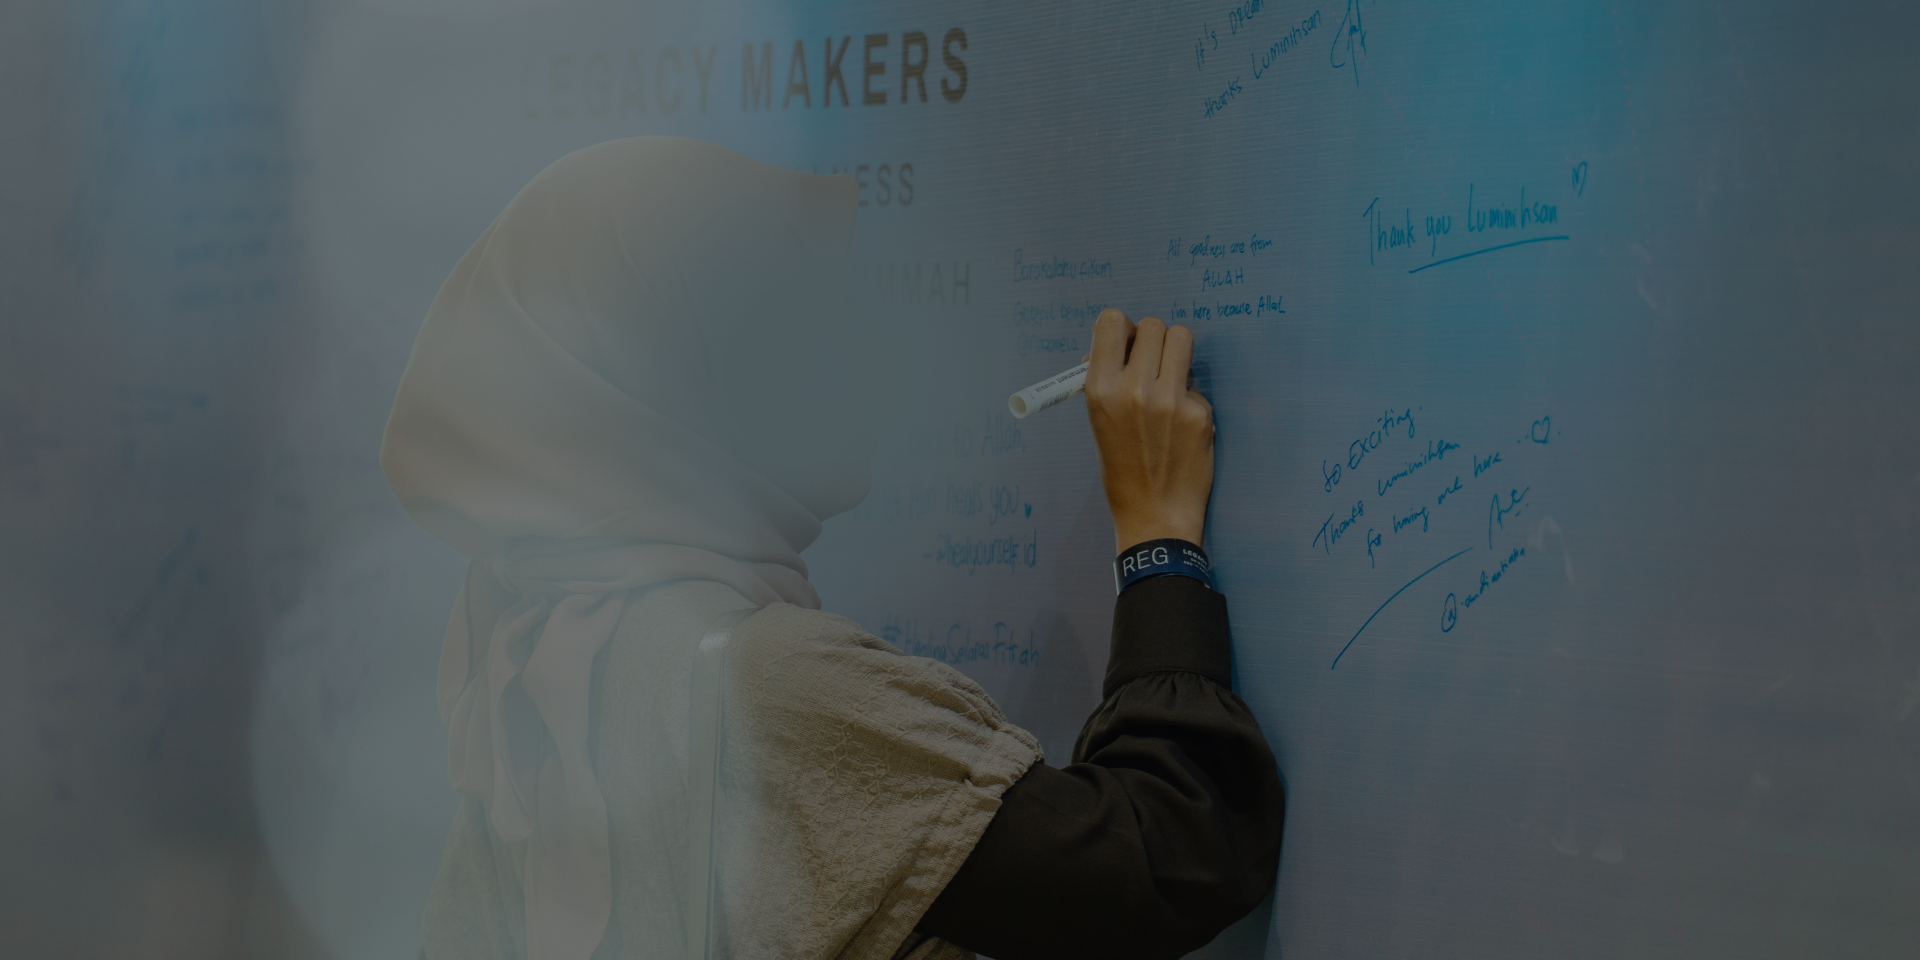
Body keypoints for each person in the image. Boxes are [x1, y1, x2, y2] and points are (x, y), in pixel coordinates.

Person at [381, 137, 1283, 960]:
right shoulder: (759, 685)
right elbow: (1168, 856)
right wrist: (1158, 539)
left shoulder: (528, 653)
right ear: (677, 370)